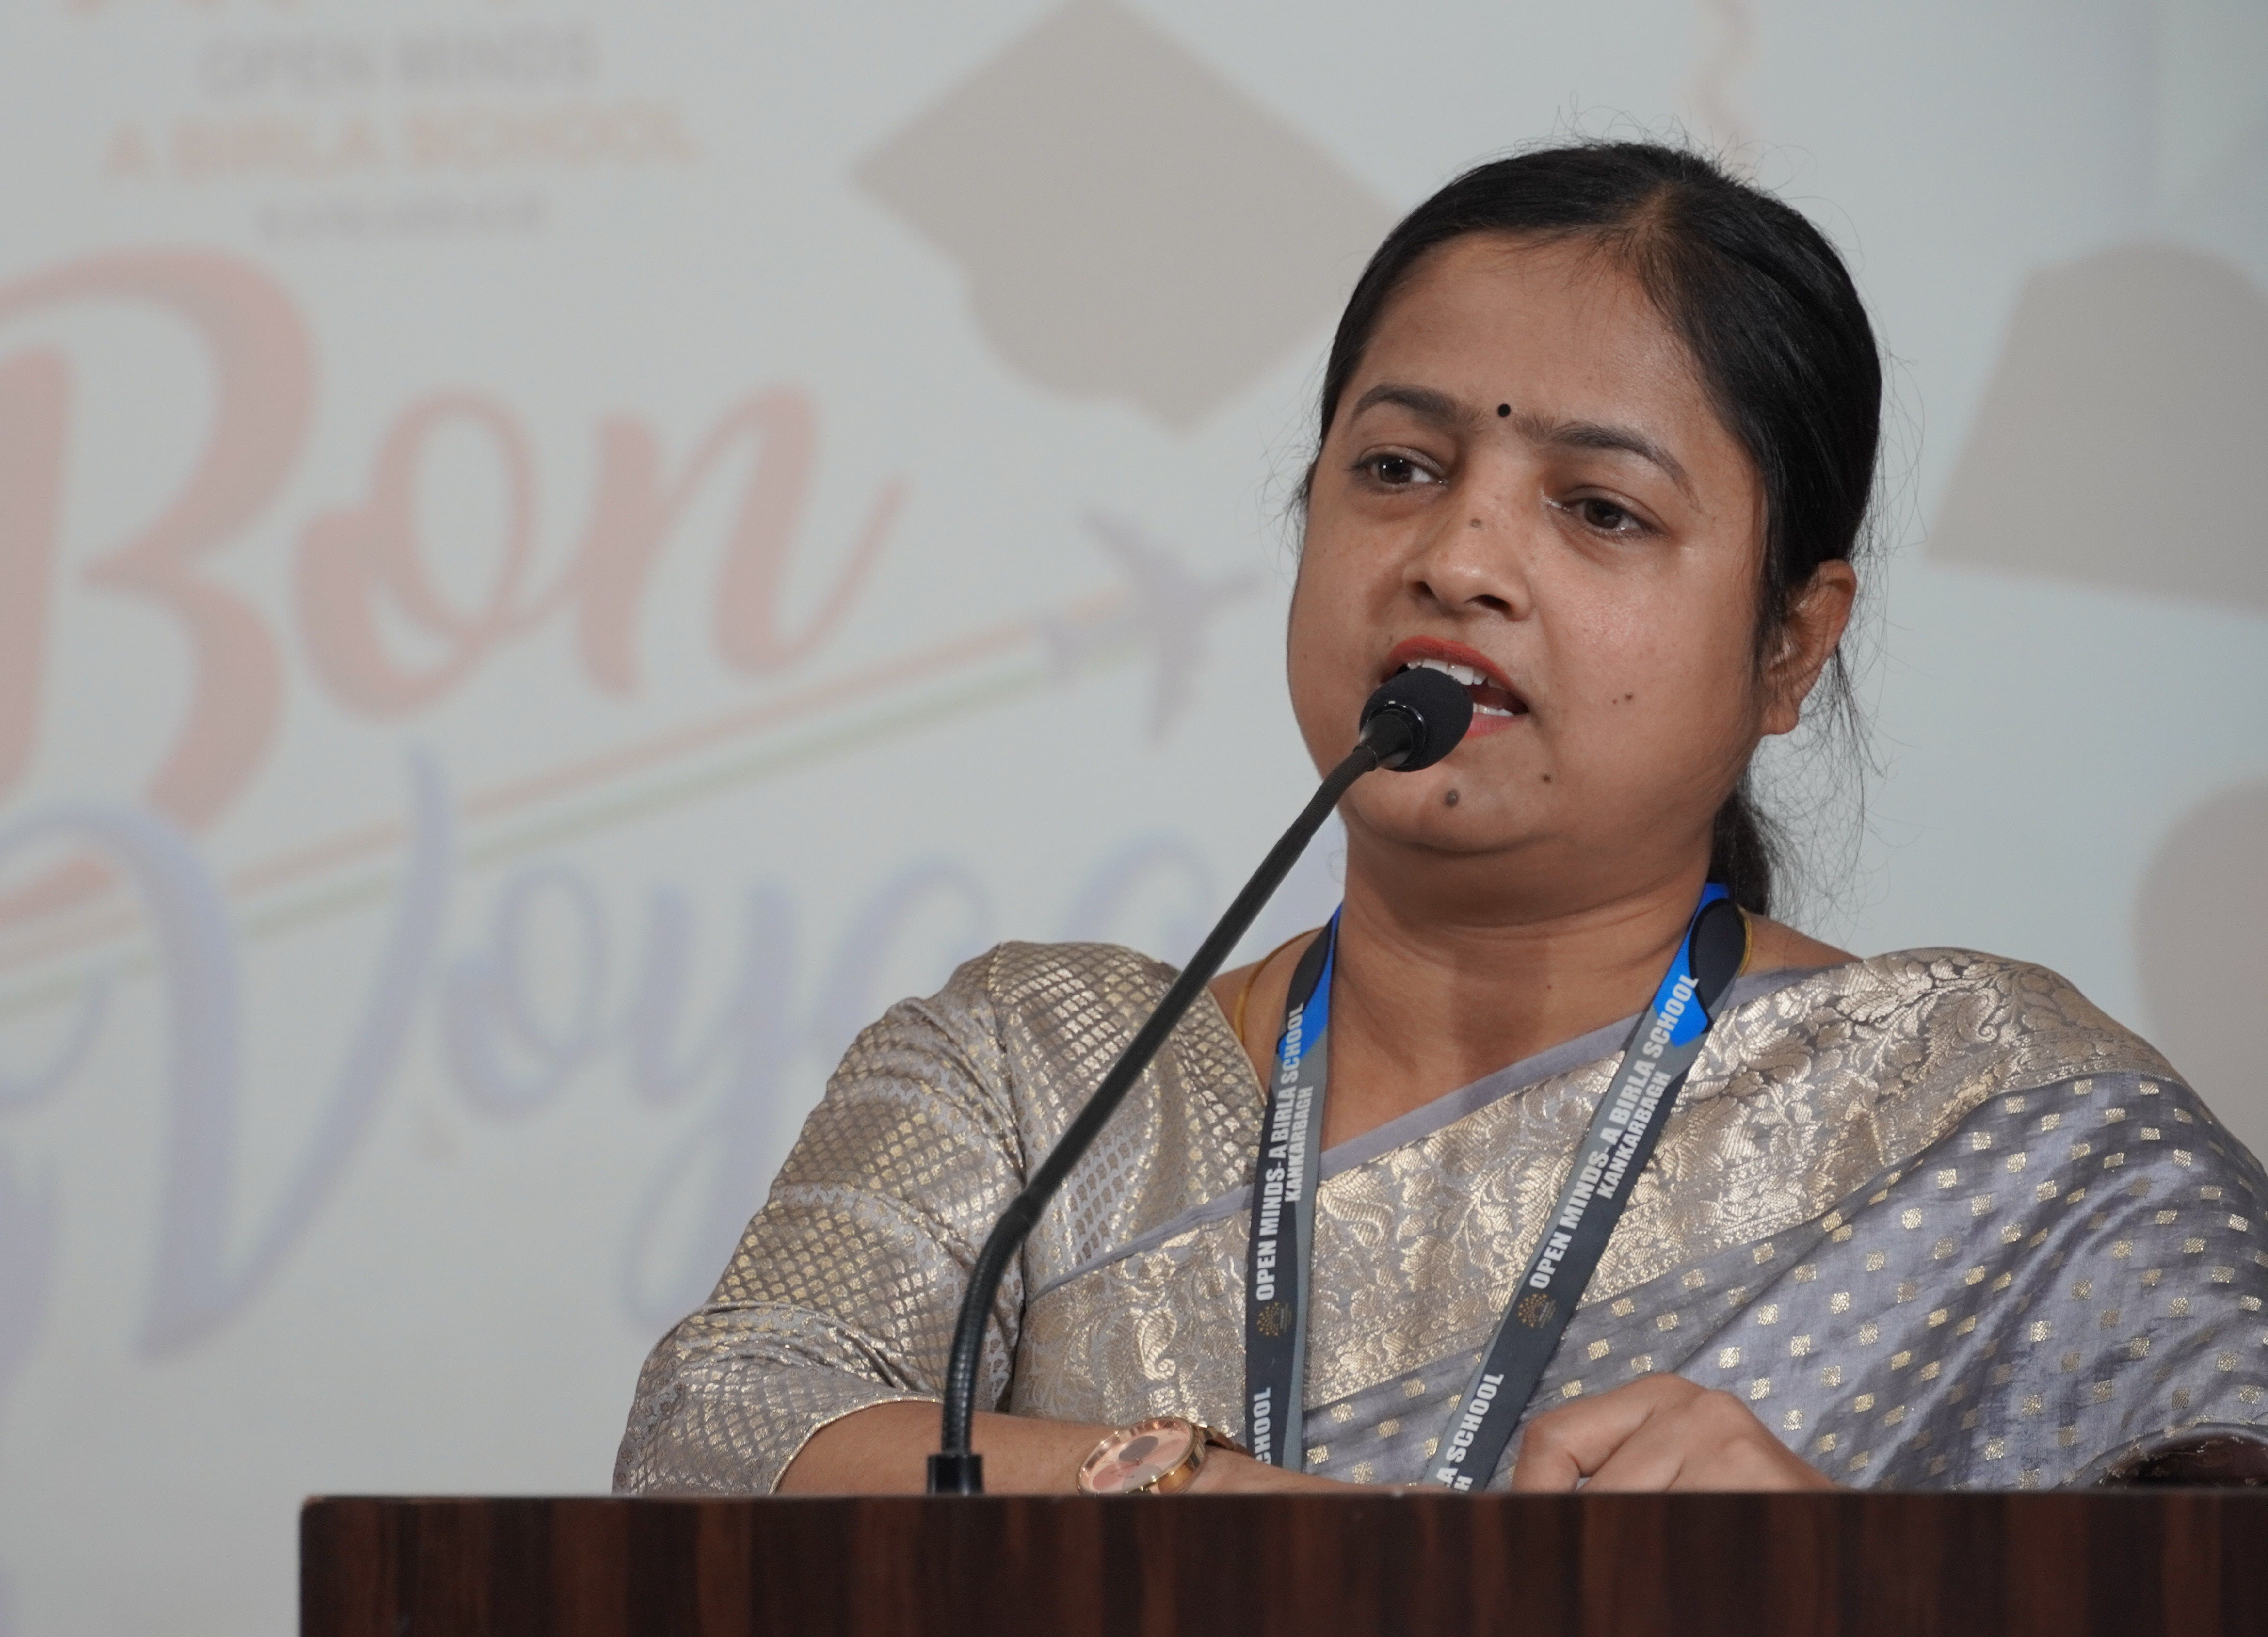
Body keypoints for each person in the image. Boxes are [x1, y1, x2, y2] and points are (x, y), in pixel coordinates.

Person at [612, 141, 2268, 1497]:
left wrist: (1844, 1579)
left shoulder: (1992, 1109)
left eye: (1599, 509)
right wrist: (1199, 1503)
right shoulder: (1037, 1072)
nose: (1460, 558)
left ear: (1790, 644)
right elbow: (716, 1434)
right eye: (1398, 469)